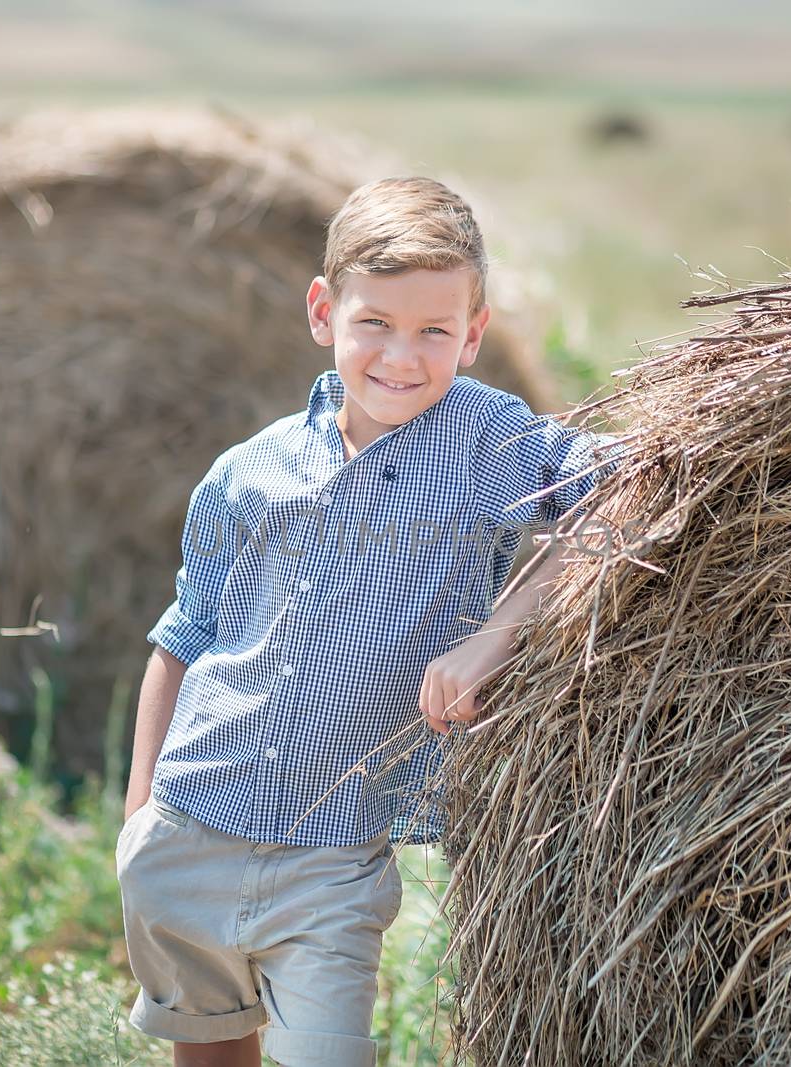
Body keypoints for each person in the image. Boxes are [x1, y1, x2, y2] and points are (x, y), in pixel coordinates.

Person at [116, 175, 625, 1067]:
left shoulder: (488, 441)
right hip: (189, 832)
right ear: (324, 312)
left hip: (336, 860)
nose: (402, 355)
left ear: (475, 335)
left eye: (435, 330)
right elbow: (185, 636)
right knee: (210, 1056)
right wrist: (139, 819)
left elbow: (625, 490)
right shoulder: (250, 471)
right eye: (375, 323)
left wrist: (494, 632)